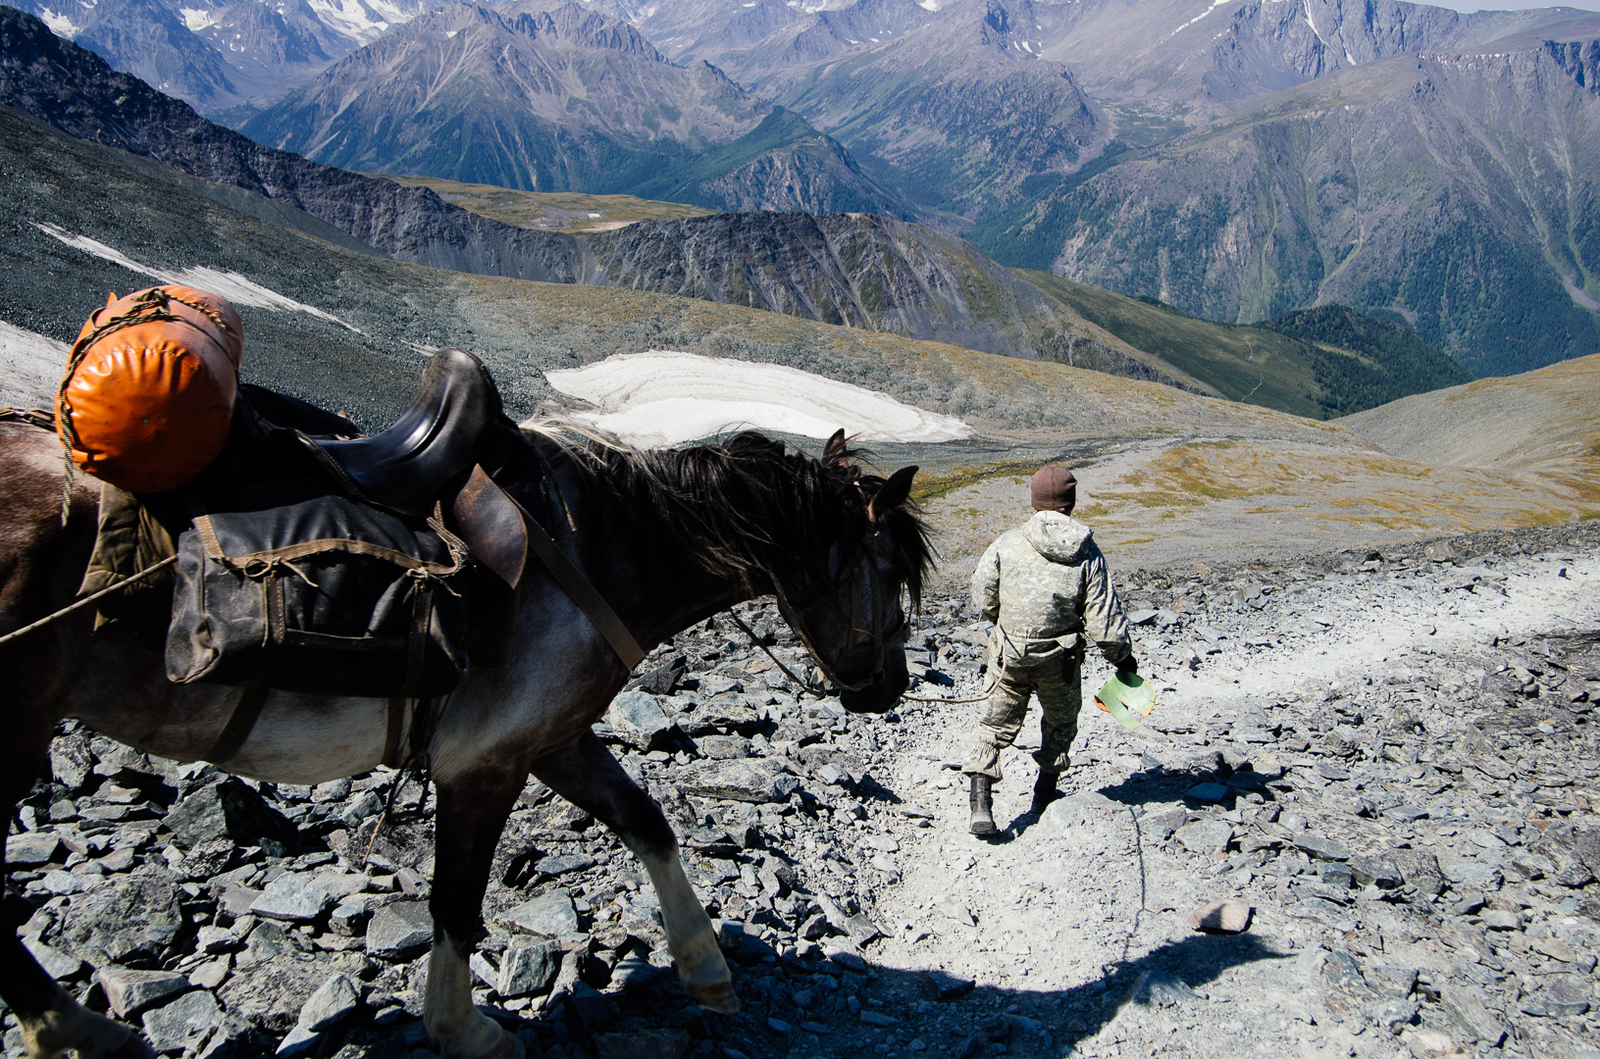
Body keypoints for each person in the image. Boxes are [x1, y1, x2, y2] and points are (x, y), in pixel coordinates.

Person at [963, 464, 1136, 835]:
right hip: (1061, 660)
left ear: (1034, 499)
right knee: (1060, 723)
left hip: (1008, 653)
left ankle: (981, 806)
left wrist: (1005, 624)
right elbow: (1104, 622)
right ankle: (1044, 794)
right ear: (1070, 502)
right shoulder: (1087, 552)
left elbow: (982, 598)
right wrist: (1123, 659)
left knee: (993, 724)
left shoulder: (1007, 542)